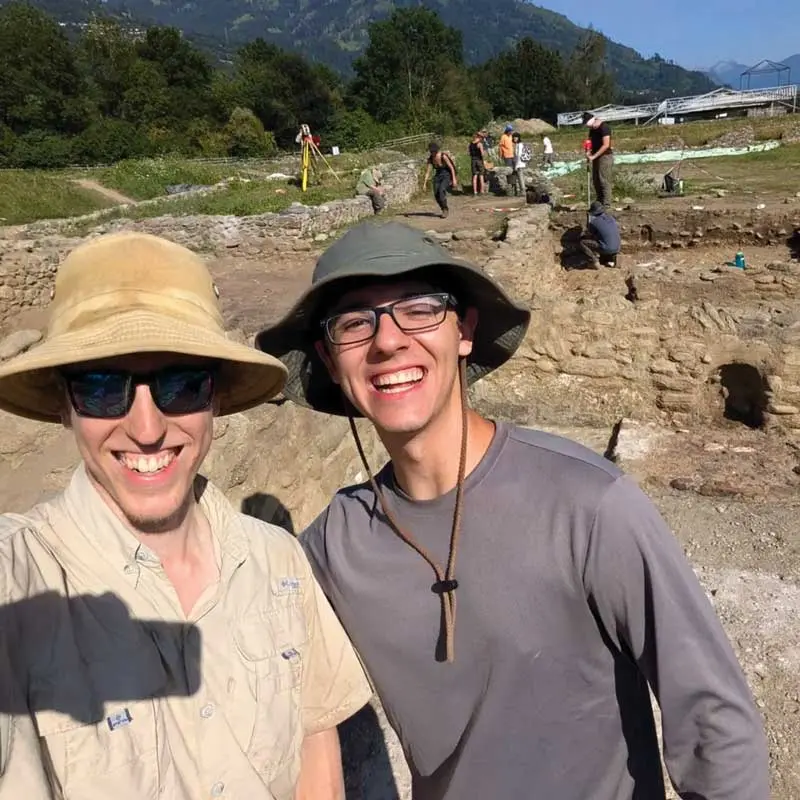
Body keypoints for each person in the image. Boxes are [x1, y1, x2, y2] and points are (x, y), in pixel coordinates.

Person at [255, 220, 771, 800]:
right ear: (328, 358)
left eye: (419, 309)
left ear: (465, 331)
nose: (388, 341)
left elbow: (714, 723)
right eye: (355, 322)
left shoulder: (588, 504)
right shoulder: (330, 548)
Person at [0, 232, 372, 799]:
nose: (147, 429)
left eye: (181, 385)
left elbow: (314, 739)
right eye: (102, 388)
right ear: (63, 406)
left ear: (216, 398)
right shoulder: (25, 584)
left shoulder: (277, 561)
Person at [582, 111, 614, 208]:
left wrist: (594, 156)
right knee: (596, 180)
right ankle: (599, 201)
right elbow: (589, 141)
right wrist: (588, 151)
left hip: (605, 156)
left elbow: (606, 145)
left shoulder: (604, 127)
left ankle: (606, 204)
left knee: (603, 179)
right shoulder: (592, 129)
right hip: (595, 155)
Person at [581, 200, 621, 268]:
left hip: (606, 248)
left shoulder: (594, 222)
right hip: (617, 248)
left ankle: (594, 262)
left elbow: (589, 235)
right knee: (604, 241)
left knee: (583, 243)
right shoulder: (611, 218)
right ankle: (611, 259)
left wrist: (584, 232)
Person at [422, 142, 457, 219]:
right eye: (431, 151)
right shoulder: (430, 159)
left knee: (441, 190)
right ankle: (443, 208)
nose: (432, 153)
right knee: (436, 194)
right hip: (438, 176)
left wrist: (454, 179)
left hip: (446, 175)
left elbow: (451, 167)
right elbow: (428, 171)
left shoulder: (443, 156)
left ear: (436, 150)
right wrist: (424, 183)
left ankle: (445, 210)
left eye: (433, 151)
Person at [510, 131, 528, 197]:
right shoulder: (518, 144)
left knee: (520, 177)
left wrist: (516, 165)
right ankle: (522, 190)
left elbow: (519, 155)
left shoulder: (519, 145)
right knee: (520, 177)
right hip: (520, 163)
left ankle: (523, 191)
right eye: (514, 137)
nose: (515, 138)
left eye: (516, 137)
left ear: (518, 138)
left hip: (519, 163)